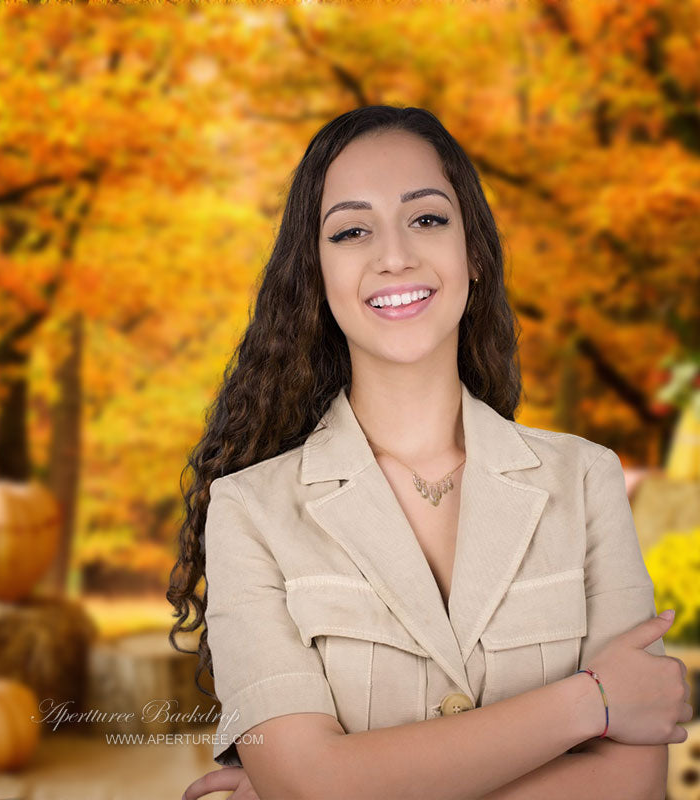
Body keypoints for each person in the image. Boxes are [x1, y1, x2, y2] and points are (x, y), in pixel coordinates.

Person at [169, 105, 693, 800]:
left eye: (426, 218)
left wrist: (337, 784)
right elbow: (309, 784)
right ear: (316, 275)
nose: (395, 256)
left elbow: (632, 785)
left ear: (472, 253)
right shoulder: (248, 511)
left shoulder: (586, 480)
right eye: (352, 231)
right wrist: (590, 701)